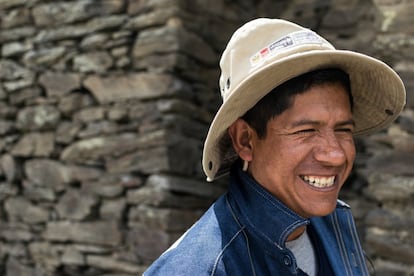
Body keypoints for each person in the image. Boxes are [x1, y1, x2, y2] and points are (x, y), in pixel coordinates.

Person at [144, 18, 406, 275]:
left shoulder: (330, 223)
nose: (336, 155)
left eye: (343, 130)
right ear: (245, 140)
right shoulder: (196, 269)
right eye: (306, 131)